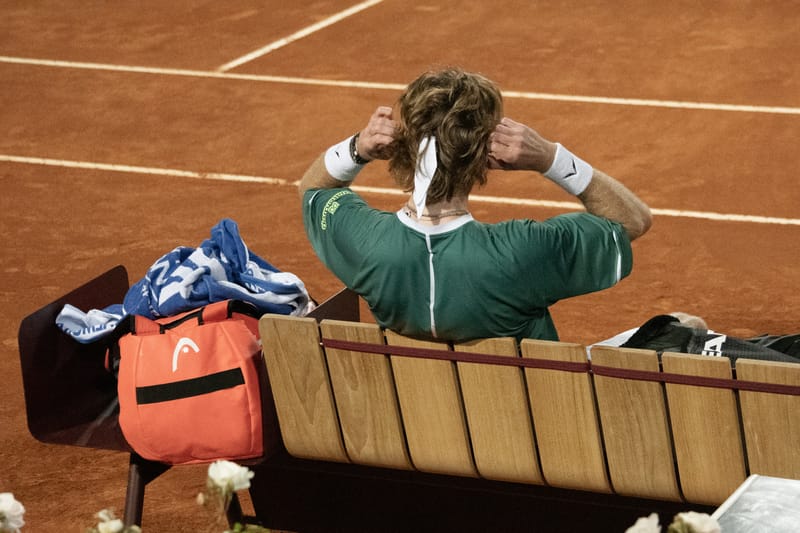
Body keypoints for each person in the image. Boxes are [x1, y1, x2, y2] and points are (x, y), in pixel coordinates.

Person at [299, 67, 652, 343]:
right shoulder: (525, 251)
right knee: (683, 327)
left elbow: (312, 189)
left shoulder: (365, 243)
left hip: (417, 421)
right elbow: (633, 220)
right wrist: (551, 158)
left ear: (406, 146)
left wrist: (357, 148)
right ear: (485, 155)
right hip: (532, 426)